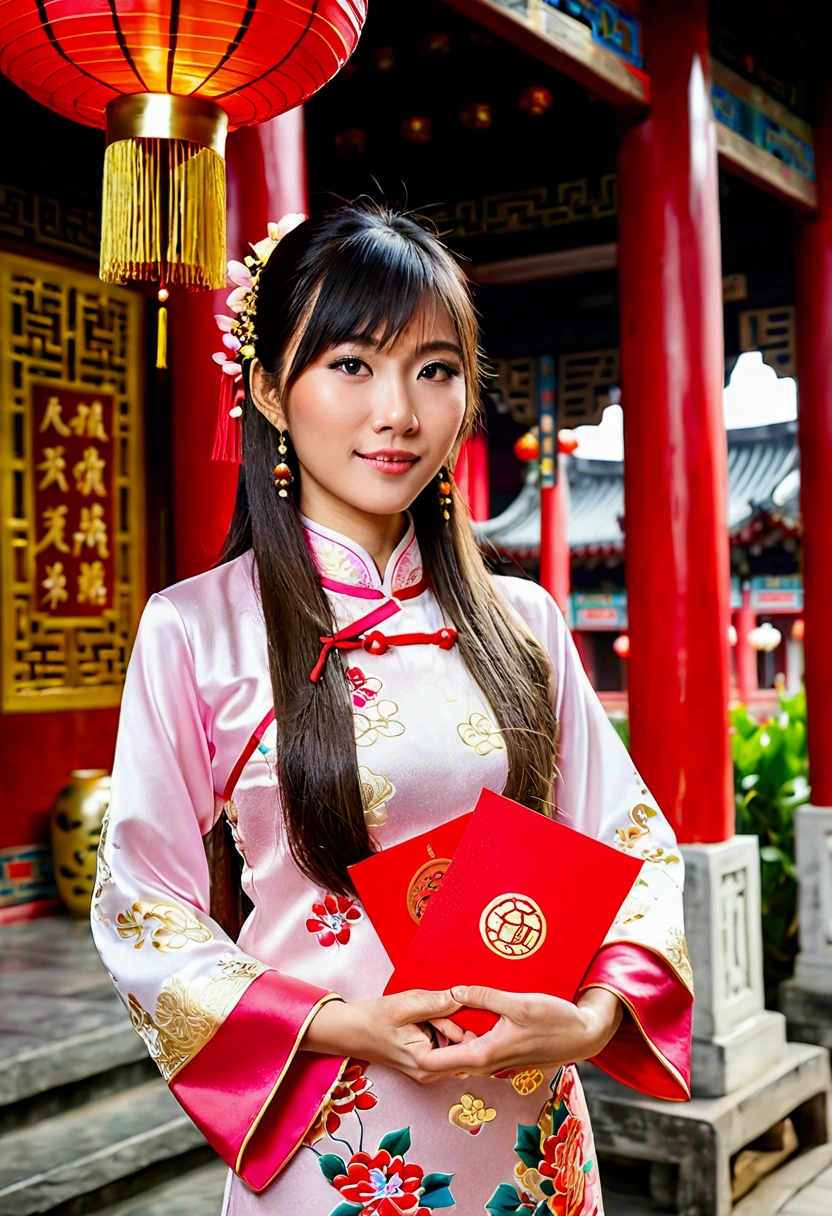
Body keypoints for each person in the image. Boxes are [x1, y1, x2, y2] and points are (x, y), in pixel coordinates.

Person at [91, 203, 693, 1215]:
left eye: (435, 368)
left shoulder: (526, 621)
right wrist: (339, 1020)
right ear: (271, 392)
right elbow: (141, 904)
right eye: (352, 365)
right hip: (341, 1130)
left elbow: (630, 841)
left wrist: (590, 1019)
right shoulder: (197, 630)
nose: (399, 413)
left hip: (531, 1133)